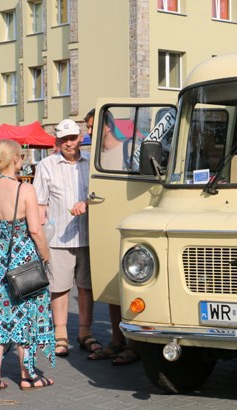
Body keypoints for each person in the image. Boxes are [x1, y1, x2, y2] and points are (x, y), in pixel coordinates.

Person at [0, 139, 55, 394]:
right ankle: (28, 377)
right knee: (26, 317)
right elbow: (35, 229)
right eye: (21, 157)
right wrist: (45, 256)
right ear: (15, 159)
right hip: (24, 261)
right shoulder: (25, 190)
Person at [33, 118, 104, 358]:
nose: (68, 143)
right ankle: (60, 333)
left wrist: (86, 203)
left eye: (72, 138)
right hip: (59, 239)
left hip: (89, 236)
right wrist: (38, 236)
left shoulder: (92, 163)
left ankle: (85, 332)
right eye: (63, 139)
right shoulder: (46, 165)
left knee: (86, 288)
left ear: (80, 138)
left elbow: (101, 196)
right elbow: (39, 203)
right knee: (59, 288)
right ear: (57, 141)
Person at [83, 109, 139, 365]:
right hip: (106, 225)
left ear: (107, 126)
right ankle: (117, 340)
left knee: (132, 284)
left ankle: (135, 345)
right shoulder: (98, 157)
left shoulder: (130, 150)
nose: (89, 132)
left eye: (92, 126)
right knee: (110, 285)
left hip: (129, 225)